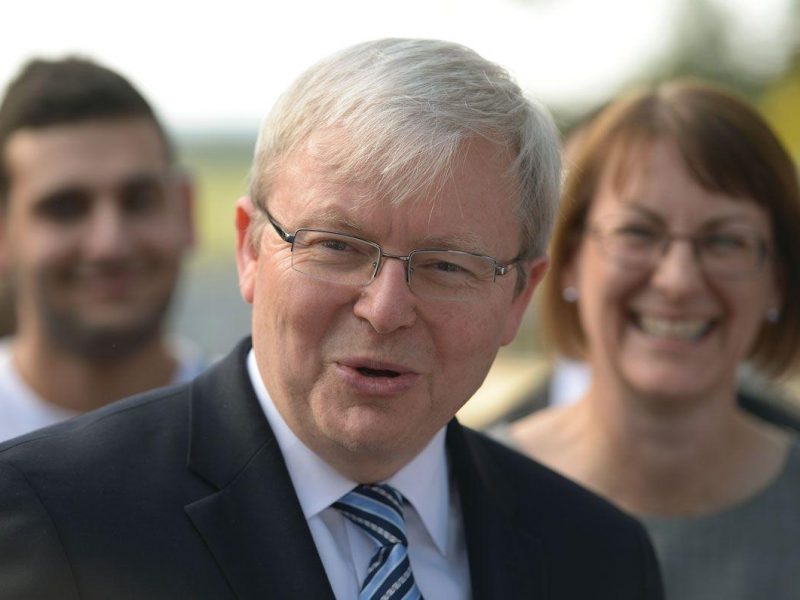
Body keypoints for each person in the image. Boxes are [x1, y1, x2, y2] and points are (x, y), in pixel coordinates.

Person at [0, 39, 663, 599]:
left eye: (446, 266)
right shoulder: (53, 515)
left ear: (519, 296)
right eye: (337, 247)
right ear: (250, 249)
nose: (385, 308)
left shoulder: (599, 556)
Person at [509, 79, 800, 600]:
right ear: (570, 261)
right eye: (638, 233)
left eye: (726, 240)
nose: (679, 280)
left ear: (777, 278)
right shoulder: (455, 498)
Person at [0, 57, 203, 442]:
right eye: (65, 208)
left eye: (139, 200)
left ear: (186, 211)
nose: (109, 244)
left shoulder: (259, 435)